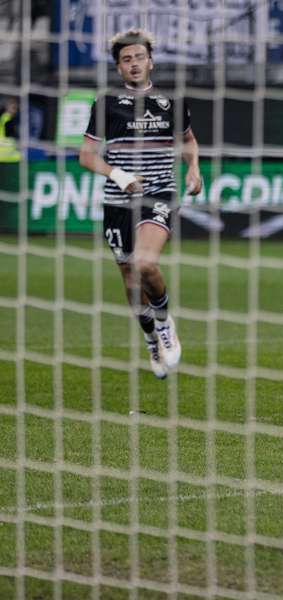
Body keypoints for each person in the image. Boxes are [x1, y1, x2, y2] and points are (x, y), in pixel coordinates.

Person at [79, 29, 202, 379]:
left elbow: (189, 141)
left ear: (151, 61)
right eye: (126, 59)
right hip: (118, 200)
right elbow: (87, 156)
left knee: (146, 265)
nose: (134, 64)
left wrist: (194, 168)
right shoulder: (106, 105)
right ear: (118, 68)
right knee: (131, 279)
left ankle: (164, 325)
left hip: (159, 192)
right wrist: (118, 175)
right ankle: (151, 340)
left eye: (139, 57)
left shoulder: (171, 104)